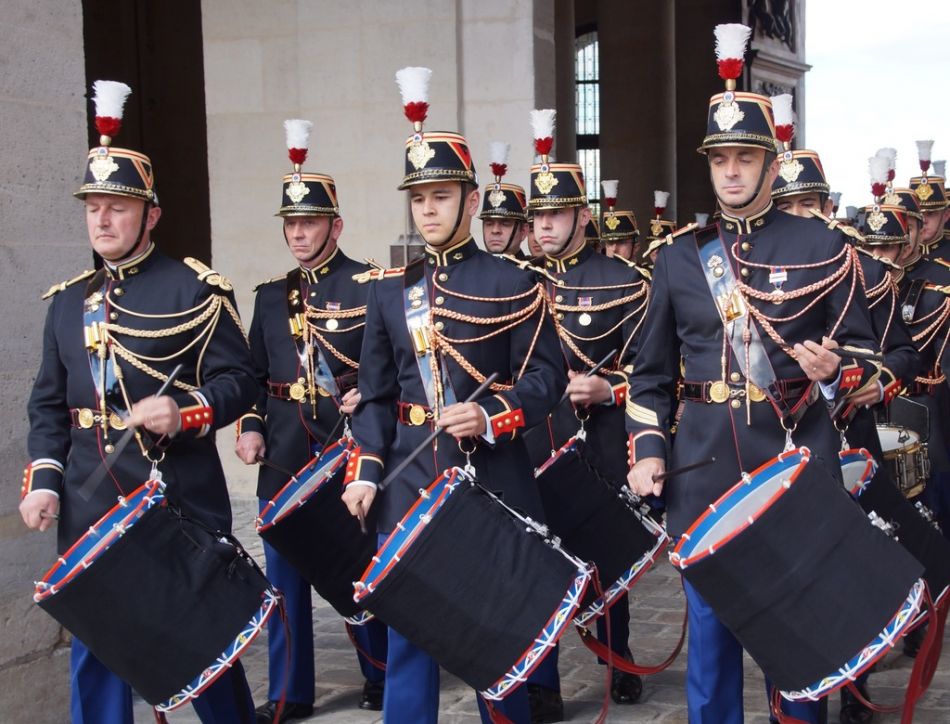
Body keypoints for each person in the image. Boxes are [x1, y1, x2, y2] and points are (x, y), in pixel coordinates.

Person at [625, 27, 881, 723]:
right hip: (704, 468)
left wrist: (838, 375)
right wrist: (649, 452)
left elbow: (871, 359)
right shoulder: (680, 258)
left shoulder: (822, 245)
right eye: (721, 160)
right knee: (709, 649)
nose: (732, 172)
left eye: (746, 158)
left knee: (797, 642)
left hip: (796, 460)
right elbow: (647, 375)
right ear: (708, 166)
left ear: (772, 164)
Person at [20, 80, 259, 723]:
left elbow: (242, 382)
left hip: (174, 496)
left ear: (150, 214)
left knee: (201, 643)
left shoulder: (195, 289)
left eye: (117, 208)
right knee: (97, 646)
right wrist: (45, 481)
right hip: (90, 500)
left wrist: (185, 411)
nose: (102, 220)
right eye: (93, 207)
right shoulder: (67, 302)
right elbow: (48, 406)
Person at [340, 66, 565, 724]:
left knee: (500, 636)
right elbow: (376, 396)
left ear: (471, 202)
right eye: (419, 198)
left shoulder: (515, 283)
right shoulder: (388, 290)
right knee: (412, 635)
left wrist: (493, 414)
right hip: (412, 479)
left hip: (493, 478)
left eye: (442, 196)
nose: (429, 209)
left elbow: (545, 381)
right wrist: (367, 470)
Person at [234, 119, 387, 723]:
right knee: (284, 581)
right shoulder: (271, 295)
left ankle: (379, 670)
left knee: (359, 567)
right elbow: (250, 374)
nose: (298, 234)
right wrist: (249, 425)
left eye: (310, 223)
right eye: (291, 224)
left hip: (346, 451)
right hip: (283, 453)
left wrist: (368, 395)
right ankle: (291, 689)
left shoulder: (370, 284)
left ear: (335, 225)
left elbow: (390, 366)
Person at [773, 143, 921, 724]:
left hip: (853, 439)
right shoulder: (751, 272)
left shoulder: (868, 271)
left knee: (853, 572)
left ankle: (856, 687)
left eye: (811, 204)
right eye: (791, 207)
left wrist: (875, 380)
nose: (804, 216)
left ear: (828, 204)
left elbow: (903, 356)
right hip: (785, 445)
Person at [531, 159, 650, 710]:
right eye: (538, 216)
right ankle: (542, 683)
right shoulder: (517, 283)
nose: (545, 226)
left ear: (582, 216)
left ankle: (615, 661)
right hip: (534, 439)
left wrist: (610, 389)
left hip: (598, 437)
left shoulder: (622, 279)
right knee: (539, 558)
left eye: (556, 214)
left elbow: (653, 370)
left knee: (605, 555)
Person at [478, 140, 529, 257]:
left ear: (523, 231)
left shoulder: (531, 274)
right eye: (489, 223)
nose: (495, 230)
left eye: (505, 223)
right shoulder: (472, 272)